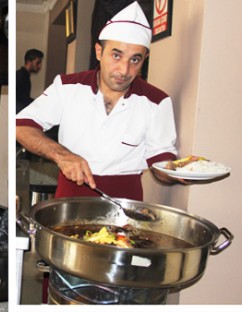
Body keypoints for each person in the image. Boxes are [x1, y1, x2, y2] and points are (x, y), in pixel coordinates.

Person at [16, 2, 181, 201]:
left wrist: (179, 173)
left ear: (144, 59)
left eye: (135, 60)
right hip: (70, 198)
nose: (124, 70)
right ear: (98, 52)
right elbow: (21, 126)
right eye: (116, 55)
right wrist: (62, 155)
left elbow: (160, 163)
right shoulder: (67, 86)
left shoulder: (157, 101)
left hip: (125, 206)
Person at [16, 49, 44, 114]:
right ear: (28, 62)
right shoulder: (21, 76)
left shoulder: (22, 75)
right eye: (37, 63)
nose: (40, 66)